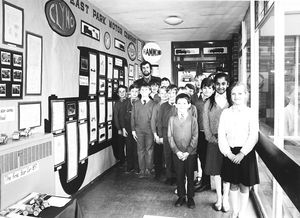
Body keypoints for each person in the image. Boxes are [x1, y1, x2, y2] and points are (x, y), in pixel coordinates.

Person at [218, 82, 259, 218]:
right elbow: (221, 135)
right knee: (233, 184)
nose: (236, 96)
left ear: (246, 95)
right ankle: (234, 211)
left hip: (245, 154)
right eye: (233, 94)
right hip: (229, 152)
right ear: (230, 96)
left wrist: (242, 153)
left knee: (244, 185)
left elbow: (253, 135)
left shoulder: (251, 113)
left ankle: (242, 213)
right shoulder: (226, 113)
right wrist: (228, 153)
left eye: (240, 93)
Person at [203, 72, 231, 212]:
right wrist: (211, 138)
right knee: (217, 172)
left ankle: (226, 198)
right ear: (215, 85)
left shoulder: (231, 101)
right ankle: (219, 199)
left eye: (223, 83)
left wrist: (228, 140)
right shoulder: (209, 102)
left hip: (229, 143)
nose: (220, 86)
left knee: (227, 171)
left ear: (227, 84)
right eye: (218, 84)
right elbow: (205, 124)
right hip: (213, 142)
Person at [168, 93, 198, 209]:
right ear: (175, 105)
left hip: (190, 153)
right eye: (179, 103)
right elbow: (170, 137)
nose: (181, 106)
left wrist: (187, 152)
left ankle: (190, 197)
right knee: (179, 175)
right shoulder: (172, 119)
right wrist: (177, 151)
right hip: (177, 154)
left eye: (184, 103)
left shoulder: (193, 120)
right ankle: (181, 196)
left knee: (190, 175)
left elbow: (195, 137)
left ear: (189, 105)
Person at [191, 77, 215, 192]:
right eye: (205, 88)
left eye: (210, 88)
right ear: (201, 88)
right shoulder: (195, 100)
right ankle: (203, 181)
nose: (207, 90)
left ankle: (207, 183)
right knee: (200, 157)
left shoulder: (214, 102)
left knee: (207, 159)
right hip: (198, 134)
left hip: (210, 135)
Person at [131, 84, 156, 178]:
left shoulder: (153, 104)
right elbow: (132, 118)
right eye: (142, 89)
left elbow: (154, 119)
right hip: (139, 130)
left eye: (146, 89)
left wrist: (154, 132)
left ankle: (148, 169)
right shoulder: (136, 104)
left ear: (150, 91)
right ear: (140, 92)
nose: (144, 91)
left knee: (149, 150)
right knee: (140, 150)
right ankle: (142, 170)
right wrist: (133, 130)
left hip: (150, 130)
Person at [157, 84, 178, 185]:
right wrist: (160, 135)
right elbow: (159, 121)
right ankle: (169, 176)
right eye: (169, 93)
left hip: (177, 134)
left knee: (176, 155)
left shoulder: (179, 106)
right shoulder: (163, 106)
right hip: (165, 133)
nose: (172, 95)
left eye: (174, 93)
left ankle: (177, 177)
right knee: (167, 156)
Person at [120, 84, 140, 173]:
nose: (134, 93)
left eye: (136, 91)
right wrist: (123, 128)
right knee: (128, 147)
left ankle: (137, 167)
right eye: (132, 91)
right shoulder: (125, 102)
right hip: (128, 127)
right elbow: (121, 116)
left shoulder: (141, 101)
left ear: (138, 92)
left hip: (138, 128)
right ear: (129, 92)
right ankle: (129, 166)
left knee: (137, 148)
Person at [151, 86, 169, 180]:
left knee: (167, 155)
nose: (164, 95)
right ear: (159, 94)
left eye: (166, 93)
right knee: (158, 155)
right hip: (158, 132)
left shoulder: (171, 105)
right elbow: (153, 121)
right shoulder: (157, 106)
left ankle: (169, 174)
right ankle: (158, 173)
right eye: (161, 93)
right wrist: (155, 135)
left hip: (168, 133)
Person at [112, 85, 127, 165]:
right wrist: (118, 129)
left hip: (128, 126)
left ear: (126, 92)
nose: (122, 93)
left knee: (129, 145)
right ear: (118, 93)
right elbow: (116, 117)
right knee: (120, 145)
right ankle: (122, 161)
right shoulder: (117, 104)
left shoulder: (128, 101)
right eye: (120, 92)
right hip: (120, 127)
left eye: (123, 91)